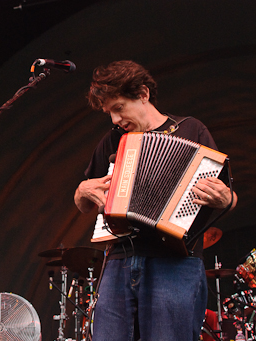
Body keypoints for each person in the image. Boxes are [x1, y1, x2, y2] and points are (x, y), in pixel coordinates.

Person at [74, 60, 237, 341]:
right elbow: (85, 202)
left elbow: (228, 198)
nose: (114, 120)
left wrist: (226, 198)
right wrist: (81, 191)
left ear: (143, 94)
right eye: (108, 112)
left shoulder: (192, 130)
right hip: (119, 260)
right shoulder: (112, 142)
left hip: (174, 262)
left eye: (119, 108)